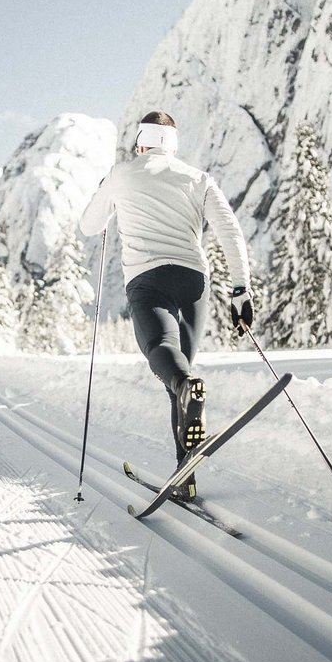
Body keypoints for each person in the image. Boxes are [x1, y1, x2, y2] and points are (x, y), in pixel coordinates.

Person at [79, 111, 254, 501]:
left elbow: (89, 225)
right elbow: (229, 230)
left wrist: (106, 189)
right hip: (194, 281)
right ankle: (185, 474)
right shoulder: (198, 178)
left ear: (141, 142)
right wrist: (241, 289)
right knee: (182, 375)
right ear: (173, 144)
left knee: (166, 358)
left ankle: (185, 451)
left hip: (148, 280)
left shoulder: (122, 173)